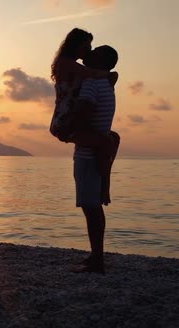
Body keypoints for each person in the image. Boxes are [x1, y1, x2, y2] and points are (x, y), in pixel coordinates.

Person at [50, 28, 118, 205]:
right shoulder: (65, 63)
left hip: (69, 118)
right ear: (76, 45)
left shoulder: (76, 68)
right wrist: (111, 74)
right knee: (106, 142)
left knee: (113, 138)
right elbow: (93, 73)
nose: (89, 50)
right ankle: (104, 189)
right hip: (65, 122)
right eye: (87, 46)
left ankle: (105, 186)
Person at [71, 45, 120, 273]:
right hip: (93, 152)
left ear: (101, 61)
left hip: (87, 154)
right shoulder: (106, 83)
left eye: (95, 52)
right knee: (93, 207)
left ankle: (97, 259)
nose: (89, 54)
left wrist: (70, 128)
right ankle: (96, 256)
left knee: (91, 208)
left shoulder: (92, 83)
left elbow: (85, 109)